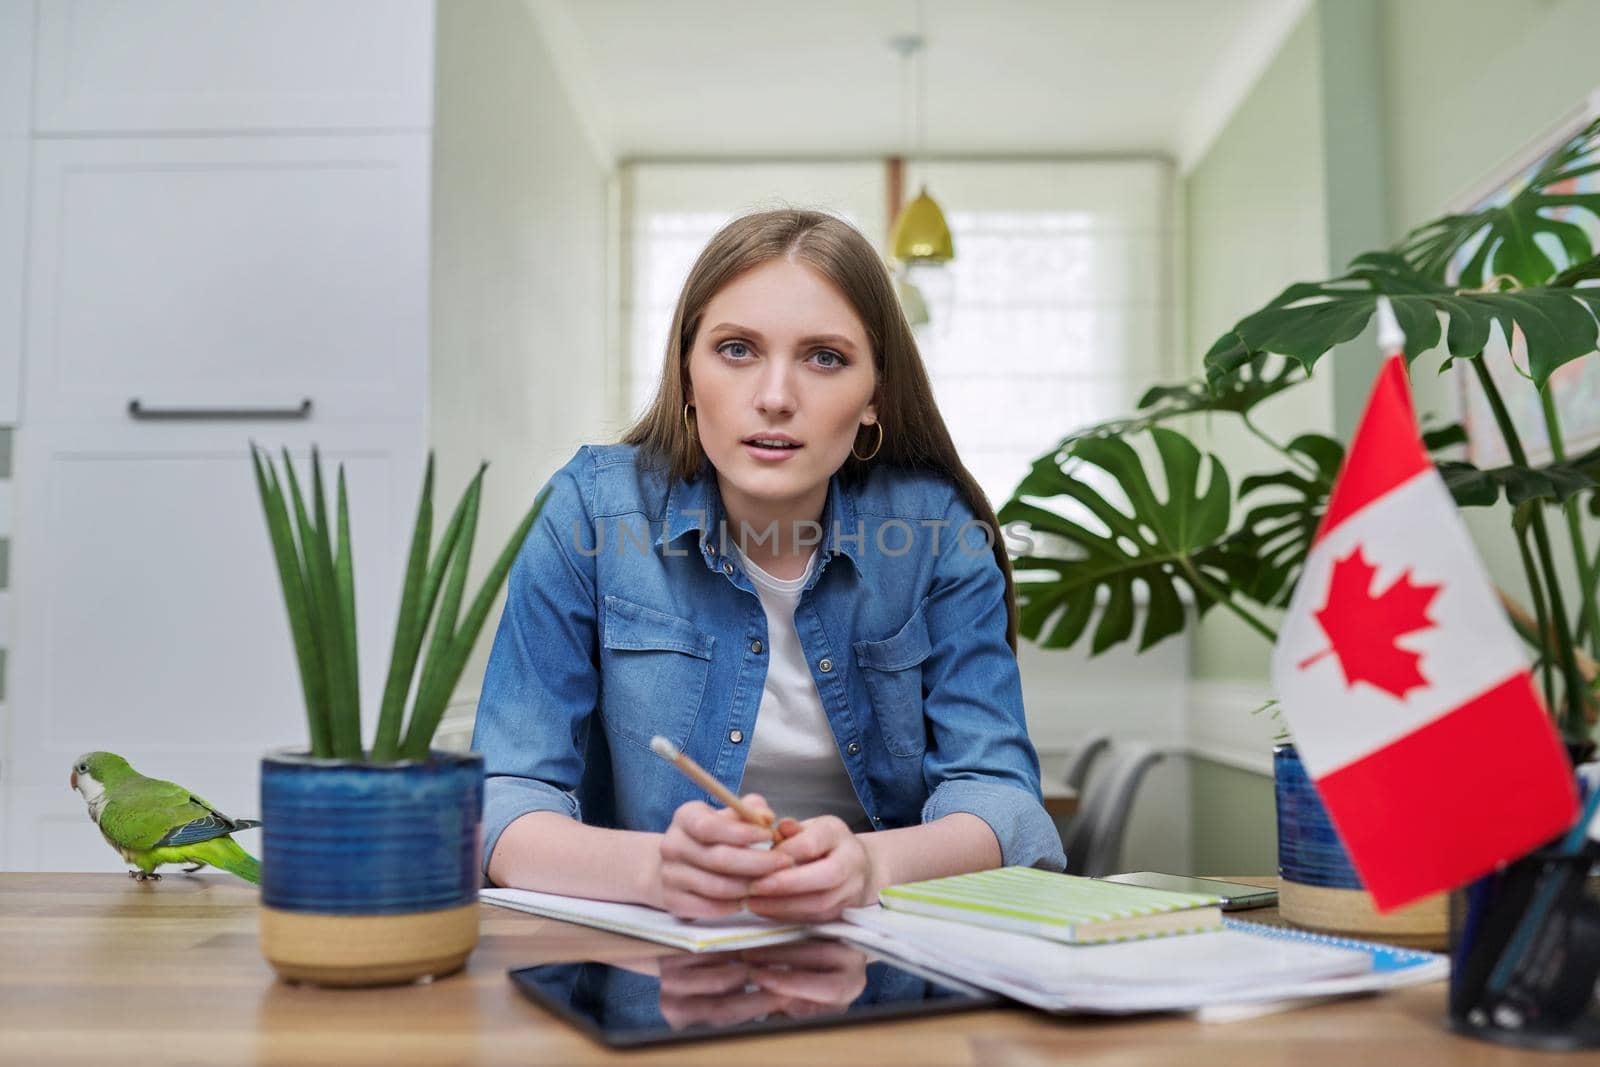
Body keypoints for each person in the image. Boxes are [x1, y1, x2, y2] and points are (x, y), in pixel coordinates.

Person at [473, 208, 1064, 924]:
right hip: (649, 966)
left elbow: (1000, 796)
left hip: (886, 966)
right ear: (686, 375)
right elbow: (504, 801)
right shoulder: (588, 512)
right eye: (736, 349)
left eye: (825, 357)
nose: (777, 397)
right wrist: (659, 869)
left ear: (875, 394)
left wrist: (870, 865)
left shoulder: (938, 530)